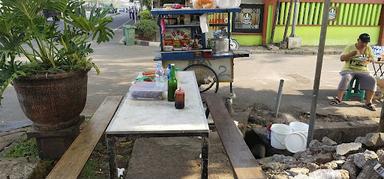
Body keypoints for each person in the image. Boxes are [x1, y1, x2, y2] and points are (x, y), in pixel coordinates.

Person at [330, 33, 377, 111]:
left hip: (363, 70)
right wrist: (352, 54)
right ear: (358, 40)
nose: (364, 44)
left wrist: (368, 60)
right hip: (349, 69)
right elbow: (342, 58)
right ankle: (338, 99)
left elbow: (372, 58)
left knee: (372, 79)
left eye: (366, 43)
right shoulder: (350, 47)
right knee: (346, 77)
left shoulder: (368, 48)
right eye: (362, 42)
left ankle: (368, 102)